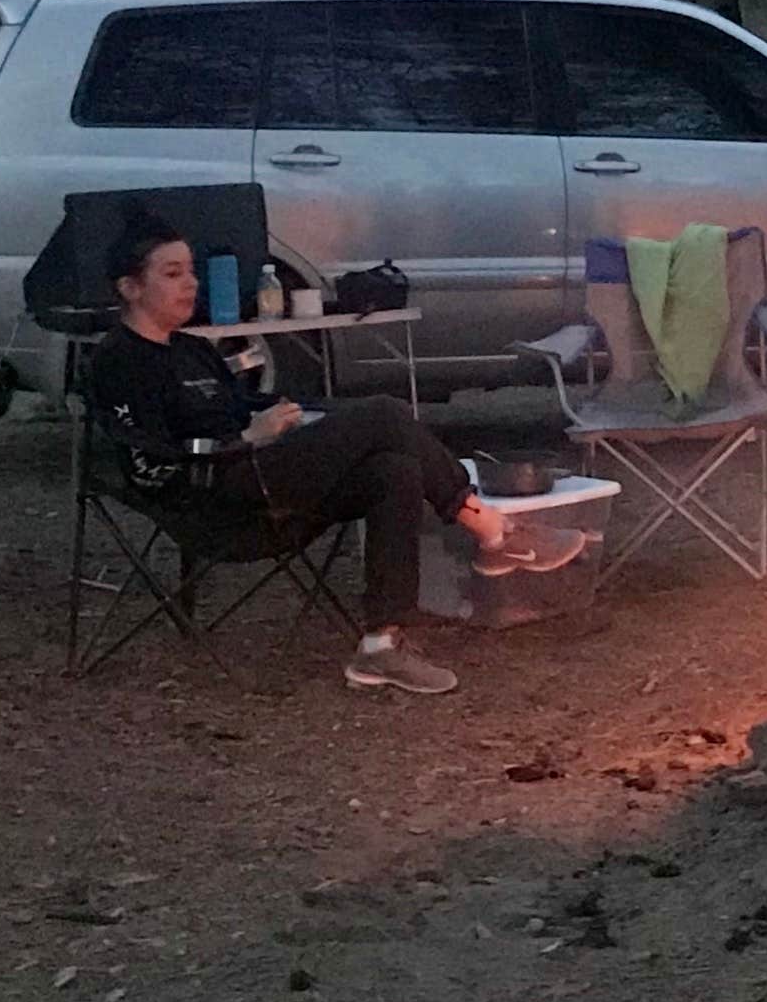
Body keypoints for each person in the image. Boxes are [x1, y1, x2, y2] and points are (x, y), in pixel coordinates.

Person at [82, 220, 581, 696]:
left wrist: (293, 416)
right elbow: (150, 466)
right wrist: (243, 437)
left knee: (394, 470)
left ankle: (381, 646)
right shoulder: (118, 362)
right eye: (172, 274)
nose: (190, 284)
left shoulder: (192, 349)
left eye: (191, 271)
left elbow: (245, 406)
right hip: (216, 500)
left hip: (264, 476)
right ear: (129, 287)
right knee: (384, 413)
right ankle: (494, 531)